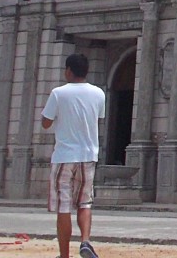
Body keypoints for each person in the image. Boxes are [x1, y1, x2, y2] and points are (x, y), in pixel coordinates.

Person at [41, 53, 106, 258]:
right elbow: (99, 118)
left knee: (64, 206)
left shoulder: (58, 93)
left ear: (68, 70)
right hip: (88, 155)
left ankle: (64, 254)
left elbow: (46, 122)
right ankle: (85, 241)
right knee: (85, 202)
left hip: (64, 156)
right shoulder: (98, 93)